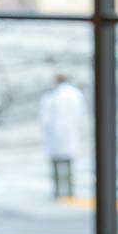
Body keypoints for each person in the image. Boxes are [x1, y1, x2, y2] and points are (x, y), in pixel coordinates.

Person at [38, 72, 85, 200]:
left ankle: (58, 192)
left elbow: (44, 118)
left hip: (55, 135)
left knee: (56, 163)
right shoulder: (75, 95)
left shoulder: (51, 96)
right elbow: (80, 116)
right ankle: (69, 191)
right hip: (70, 134)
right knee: (69, 163)